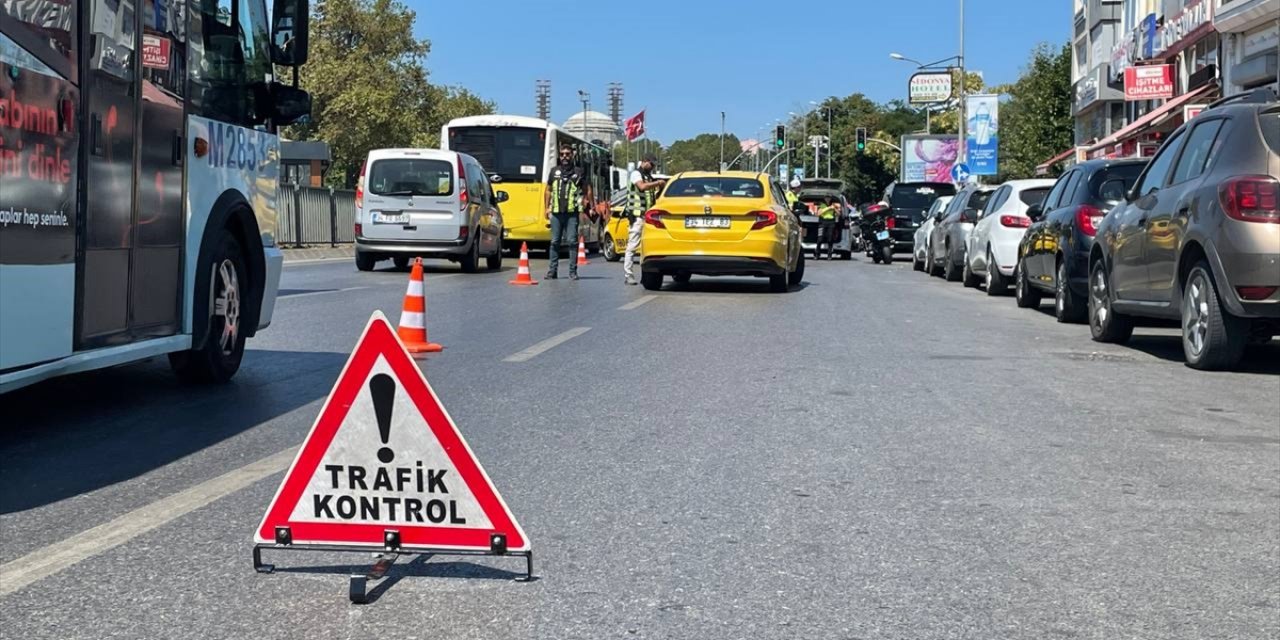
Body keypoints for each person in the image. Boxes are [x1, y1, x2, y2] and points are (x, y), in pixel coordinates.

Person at [544, 144, 591, 280]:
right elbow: (548, 190)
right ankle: (552, 271)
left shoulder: (579, 172)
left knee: (572, 242)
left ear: (572, 155)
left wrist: (587, 202)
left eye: (567, 154)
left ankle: (572, 271)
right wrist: (546, 208)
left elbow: (587, 188)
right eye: (562, 154)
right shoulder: (554, 171)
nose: (565, 156)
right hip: (556, 212)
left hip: (572, 213)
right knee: (554, 241)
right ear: (560, 156)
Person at [623, 154, 666, 286]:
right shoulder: (636, 174)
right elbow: (641, 187)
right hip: (637, 216)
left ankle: (645, 276)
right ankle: (628, 274)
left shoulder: (648, 177)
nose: (652, 168)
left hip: (647, 217)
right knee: (632, 246)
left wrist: (661, 188)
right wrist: (657, 183)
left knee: (645, 247)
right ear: (645, 161)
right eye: (651, 165)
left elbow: (653, 196)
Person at [815, 196, 840, 260]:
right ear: (824, 198)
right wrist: (828, 208)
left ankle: (829, 255)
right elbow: (818, 213)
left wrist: (835, 209)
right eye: (826, 198)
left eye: (829, 198)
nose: (827, 199)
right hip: (823, 222)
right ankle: (817, 254)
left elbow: (839, 214)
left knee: (830, 239)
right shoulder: (822, 205)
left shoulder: (833, 205)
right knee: (820, 239)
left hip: (831, 223)